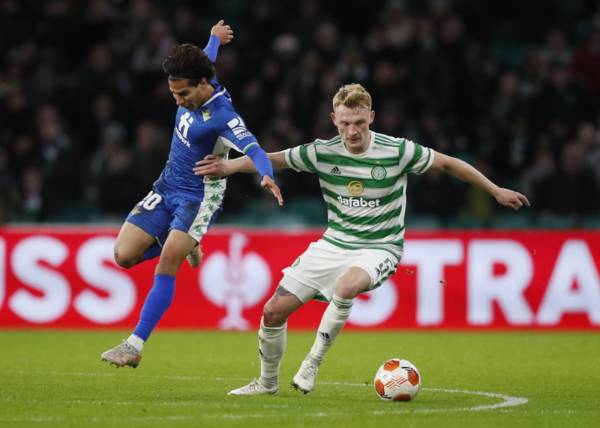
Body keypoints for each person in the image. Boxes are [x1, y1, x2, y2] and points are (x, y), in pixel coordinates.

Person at [193, 83, 530, 395]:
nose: (352, 131)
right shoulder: (322, 152)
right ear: (333, 120)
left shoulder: (397, 151)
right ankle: (267, 383)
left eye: (358, 123)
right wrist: (231, 167)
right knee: (272, 311)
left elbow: (448, 164)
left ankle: (312, 363)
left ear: (371, 117)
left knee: (346, 287)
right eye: (344, 123)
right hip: (333, 243)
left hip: (380, 246)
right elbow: (276, 159)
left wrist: (495, 190)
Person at [101, 20, 283, 368]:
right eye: (173, 94)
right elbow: (207, 57)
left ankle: (134, 344)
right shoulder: (199, 75)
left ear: (202, 85)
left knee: (168, 261)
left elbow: (254, 149)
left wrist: (266, 176)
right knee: (123, 256)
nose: (178, 100)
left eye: (183, 94)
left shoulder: (224, 117)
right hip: (166, 185)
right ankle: (189, 243)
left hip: (198, 199)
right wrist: (214, 38)